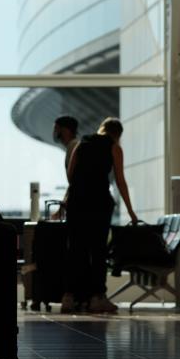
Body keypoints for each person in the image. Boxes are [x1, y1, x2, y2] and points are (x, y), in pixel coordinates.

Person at [62, 117, 137, 314]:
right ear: (117, 134)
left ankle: (70, 298)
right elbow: (120, 181)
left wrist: (81, 188)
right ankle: (97, 298)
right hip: (99, 203)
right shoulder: (114, 148)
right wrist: (130, 211)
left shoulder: (81, 144)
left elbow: (71, 174)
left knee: (75, 250)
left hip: (77, 203)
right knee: (98, 251)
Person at [49, 115, 78, 222]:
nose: (55, 133)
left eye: (56, 129)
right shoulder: (74, 145)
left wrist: (62, 208)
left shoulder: (73, 147)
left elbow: (75, 182)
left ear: (65, 130)